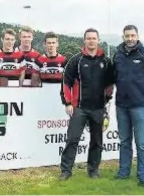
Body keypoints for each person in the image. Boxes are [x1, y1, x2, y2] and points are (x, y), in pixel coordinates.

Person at [59, 28, 115, 181]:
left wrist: (107, 103)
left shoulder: (106, 61)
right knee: (72, 139)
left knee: (97, 141)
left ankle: (93, 170)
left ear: (98, 40)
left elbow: (110, 84)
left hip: (98, 108)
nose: (91, 41)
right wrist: (68, 102)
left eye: (94, 38)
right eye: (88, 38)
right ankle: (66, 171)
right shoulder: (76, 60)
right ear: (84, 40)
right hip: (79, 108)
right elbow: (66, 82)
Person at [112, 25, 144, 186]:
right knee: (124, 141)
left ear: (137, 36)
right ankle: (123, 172)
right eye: (127, 36)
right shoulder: (117, 55)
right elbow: (114, 76)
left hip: (140, 105)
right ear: (123, 37)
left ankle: (143, 176)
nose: (130, 38)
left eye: (132, 35)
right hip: (121, 104)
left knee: (141, 143)